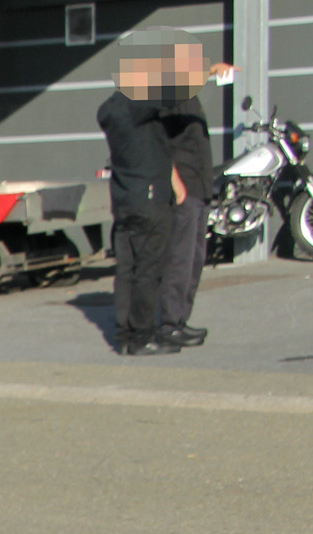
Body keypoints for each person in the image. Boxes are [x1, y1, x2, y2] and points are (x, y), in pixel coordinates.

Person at [97, 35, 181, 355]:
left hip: (123, 200)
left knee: (125, 271)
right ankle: (142, 336)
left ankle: (125, 337)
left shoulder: (108, 109)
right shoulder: (136, 106)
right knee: (147, 271)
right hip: (148, 200)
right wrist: (208, 72)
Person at [158, 42, 233, 349]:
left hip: (200, 188)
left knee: (195, 258)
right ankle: (166, 324)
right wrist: (175, 183)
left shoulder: (190, 97)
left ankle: (180, 320)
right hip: (184, 190)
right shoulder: (168, 95)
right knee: (179, 258)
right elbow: (160, 144)